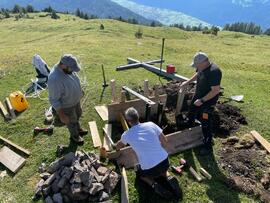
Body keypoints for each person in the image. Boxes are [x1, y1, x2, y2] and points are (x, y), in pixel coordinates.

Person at [115, 107, 182, 200]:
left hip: (149, 169)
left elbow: (119, 146)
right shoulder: (151, 124)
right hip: (164, 161)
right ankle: (168, 176)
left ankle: (154, 185)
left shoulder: (126, 134)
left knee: (141, 175)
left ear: (129, 121)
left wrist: (116, 147)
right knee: (163, 170)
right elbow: (164, 141)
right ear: (138, 117)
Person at [180, 52, 222, 155]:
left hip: (208, 102)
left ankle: (207, 145)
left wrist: (202, 100)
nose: (196, 67)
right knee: (191, 110)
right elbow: (198, 74)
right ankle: (189, 123)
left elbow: (215, 90)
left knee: (205, 123)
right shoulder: (202, 68)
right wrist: (187, 82)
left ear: (204, 62)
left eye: (197, 65)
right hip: (198, 95)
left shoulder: (214, 72)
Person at [48, 54, 88, 144]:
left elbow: (74, 78)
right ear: (63, 65)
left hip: (75, 101)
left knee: (78, 115)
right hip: (67, 105)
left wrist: (80, 91)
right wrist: (62, 115)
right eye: (72, 69)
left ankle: (78, 129)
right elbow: (54, 100)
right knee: (71, 121)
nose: (73, 71)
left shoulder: (67, 70)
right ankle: (75, 135)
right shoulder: (54, 79)